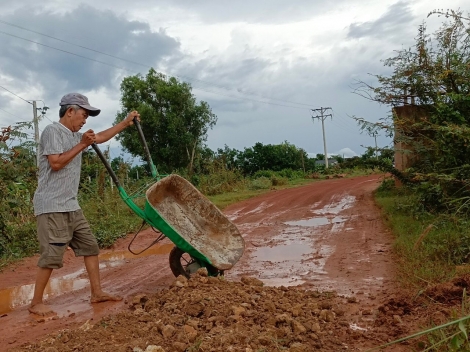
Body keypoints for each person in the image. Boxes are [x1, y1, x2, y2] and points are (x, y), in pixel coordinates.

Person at [29, 93, 140, 316]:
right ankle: (36, 302)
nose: (85, 120)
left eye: (87, 116)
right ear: (70, 111)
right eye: (83, 114)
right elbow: (56, 163)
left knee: (90, 246)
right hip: (52, 205)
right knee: (52, 255)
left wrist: (125, 123)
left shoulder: (76, 135)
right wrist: (82, 144)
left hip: (71, 205)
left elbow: (99, 137)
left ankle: (96, 292)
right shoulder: (53, 131)